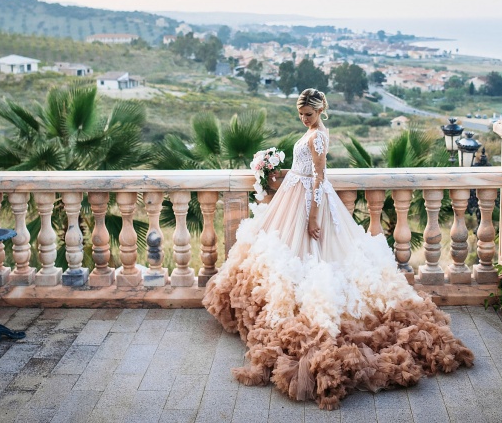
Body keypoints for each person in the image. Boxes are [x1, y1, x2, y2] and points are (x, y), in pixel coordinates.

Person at [203, 88, 474, 410]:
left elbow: (319, 178)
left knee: (314, 255)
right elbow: (304, 169)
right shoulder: (312, 133)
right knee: (281, 252)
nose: (304, 119)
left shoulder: (318, 136)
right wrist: (273, 172)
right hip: (294, 192)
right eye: (300, 114)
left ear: (320, 111)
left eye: (308, 114)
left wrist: (312, 217)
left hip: (309, 200)